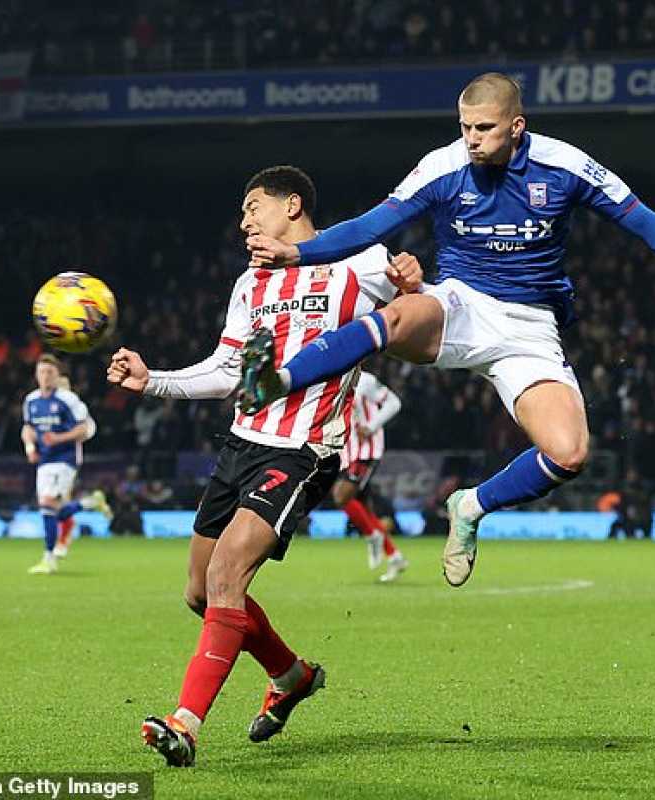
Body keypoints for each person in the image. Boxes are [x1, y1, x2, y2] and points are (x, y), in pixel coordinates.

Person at [240, 71, 655, 587]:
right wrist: (298, 253)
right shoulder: (442, 165)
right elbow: (371, 225)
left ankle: (471, 506)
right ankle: (276, 381)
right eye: (464, 127)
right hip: (460, 303)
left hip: (530, 329)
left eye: (484, 128)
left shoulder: (565, 166)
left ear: (516, 126)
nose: (472, 139)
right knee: (394, 316)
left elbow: (646, 224)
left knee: (569, 453)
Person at [106, 165, 420, 767]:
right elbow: (227, 370)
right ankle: (290, 674)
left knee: (227, 576)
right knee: (200, 594)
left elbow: (424, 318)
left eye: (254, 207)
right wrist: (153, 382)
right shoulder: (250, 283)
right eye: (243, 212)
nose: (245, 219)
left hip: (302, 450)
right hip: (241, 445)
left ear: (292, 206)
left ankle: (185, 724)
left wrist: (412, 283)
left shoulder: (359, 263)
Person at [21, 354, 109, 574]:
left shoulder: (68, 399)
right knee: (52, 511)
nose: (46, 376)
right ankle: (90, 502)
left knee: (48, 504)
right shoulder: (31, 400)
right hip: (44, 461)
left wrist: (58, 438)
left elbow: (85, 428)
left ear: (58, 375)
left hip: (65, 459)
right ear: (36, 375)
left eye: (50, 372)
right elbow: (28, 429)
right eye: (42, 372)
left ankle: (48, 559)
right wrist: (30, 448)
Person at [333, 370, 408, 581]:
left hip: (366, 451)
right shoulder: (331, 378)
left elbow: (394, 403)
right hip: (347, 451)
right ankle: (395, 557)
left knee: (341, 496)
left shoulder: (365, 380)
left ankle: (372, 535)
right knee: (363, 508)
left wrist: (371, 426)